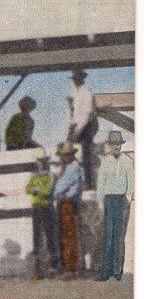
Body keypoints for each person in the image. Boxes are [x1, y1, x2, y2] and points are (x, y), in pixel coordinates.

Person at [95, 131, 134, 281]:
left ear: (121, 145)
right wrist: (100, 202)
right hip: (108, 200)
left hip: (121, 201)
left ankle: (117, 270)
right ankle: (105, 272)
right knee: (108, 236)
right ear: (110, 146)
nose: (116, 147)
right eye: (113, 144)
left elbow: (130, 182)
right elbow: (101, 183)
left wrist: (127, 198)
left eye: (118, 144)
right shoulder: (105, 161)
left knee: (119, 237)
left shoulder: (127, 160)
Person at [50, 142, 84, 280]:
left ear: (70, 155)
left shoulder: (73, 168)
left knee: (69, 235)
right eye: (63, 155)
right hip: (63, 203)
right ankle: (68, 268)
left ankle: (71, 268)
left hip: (68, 203)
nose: (64, 157)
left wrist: (58, 191)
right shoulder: (66, 168)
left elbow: (60, 188)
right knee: (64, 235)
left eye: (65, 155)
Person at [25, 148, 60, 279]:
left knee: (50, 237)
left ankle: (52, 268)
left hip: (47, 207)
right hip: (36, 208)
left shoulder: (50, 175)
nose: (42, 163)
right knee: (37, 237)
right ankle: (37, 269)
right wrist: (37, 189)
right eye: (40, 161)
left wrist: (36, 190)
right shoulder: (34, 176)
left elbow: (47, 191)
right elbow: (28, 189)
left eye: (44, 161)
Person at [68, 69, 98, 187]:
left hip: (87, 125)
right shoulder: (78, 92)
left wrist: (78, 130)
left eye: (76, 79)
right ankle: (75, 180)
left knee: (86, 153)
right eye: (74, 79)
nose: (74, 81)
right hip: (79, 126)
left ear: (80, 80)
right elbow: (76, 114)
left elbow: (86, 113)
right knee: (69, 151)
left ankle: (88, 182)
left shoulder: (86, 92)